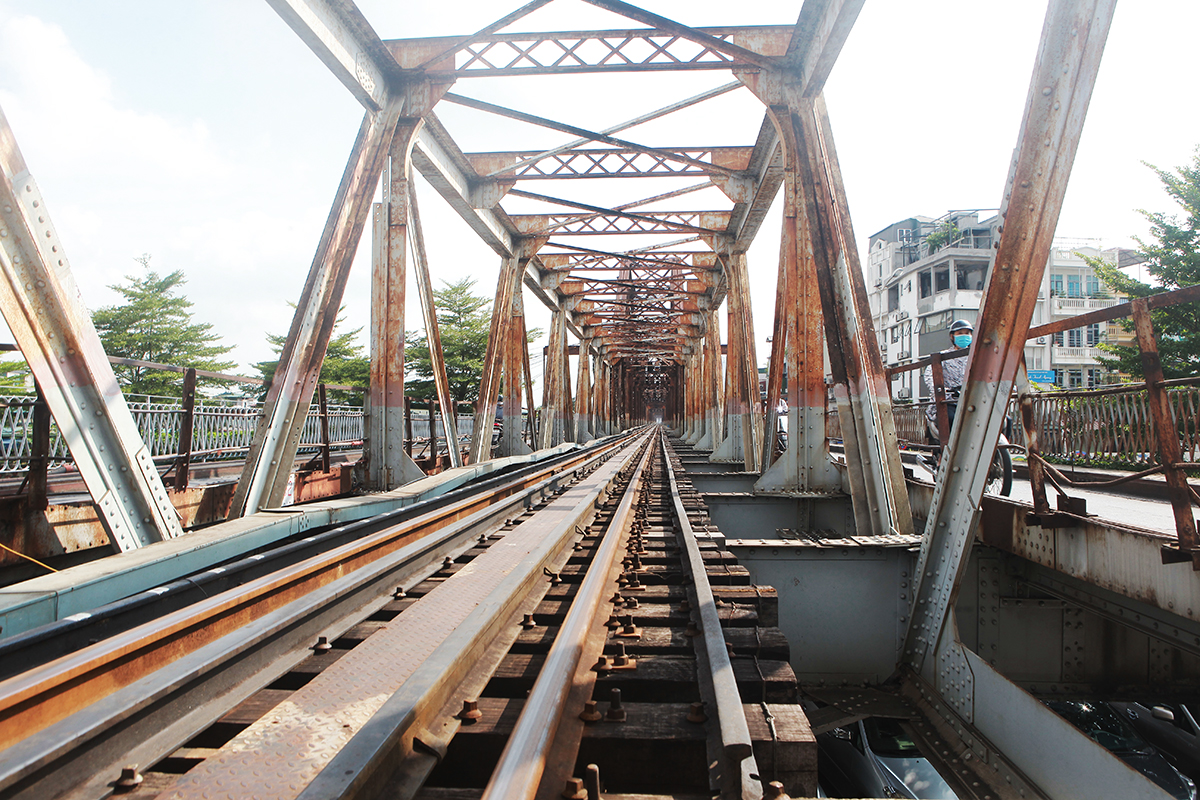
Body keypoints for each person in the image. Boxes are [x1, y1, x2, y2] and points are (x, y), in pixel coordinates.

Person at [923, 319, 973, 442]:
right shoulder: (943, 356)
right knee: (950, 418)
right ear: (952, 336)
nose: (964, 336)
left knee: (1005, 421)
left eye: (967, 333)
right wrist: (939, 389)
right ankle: (944, 453)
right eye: (960, 333)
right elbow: (929, 374)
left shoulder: (977, 356)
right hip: (948, 400)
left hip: (971, 399)